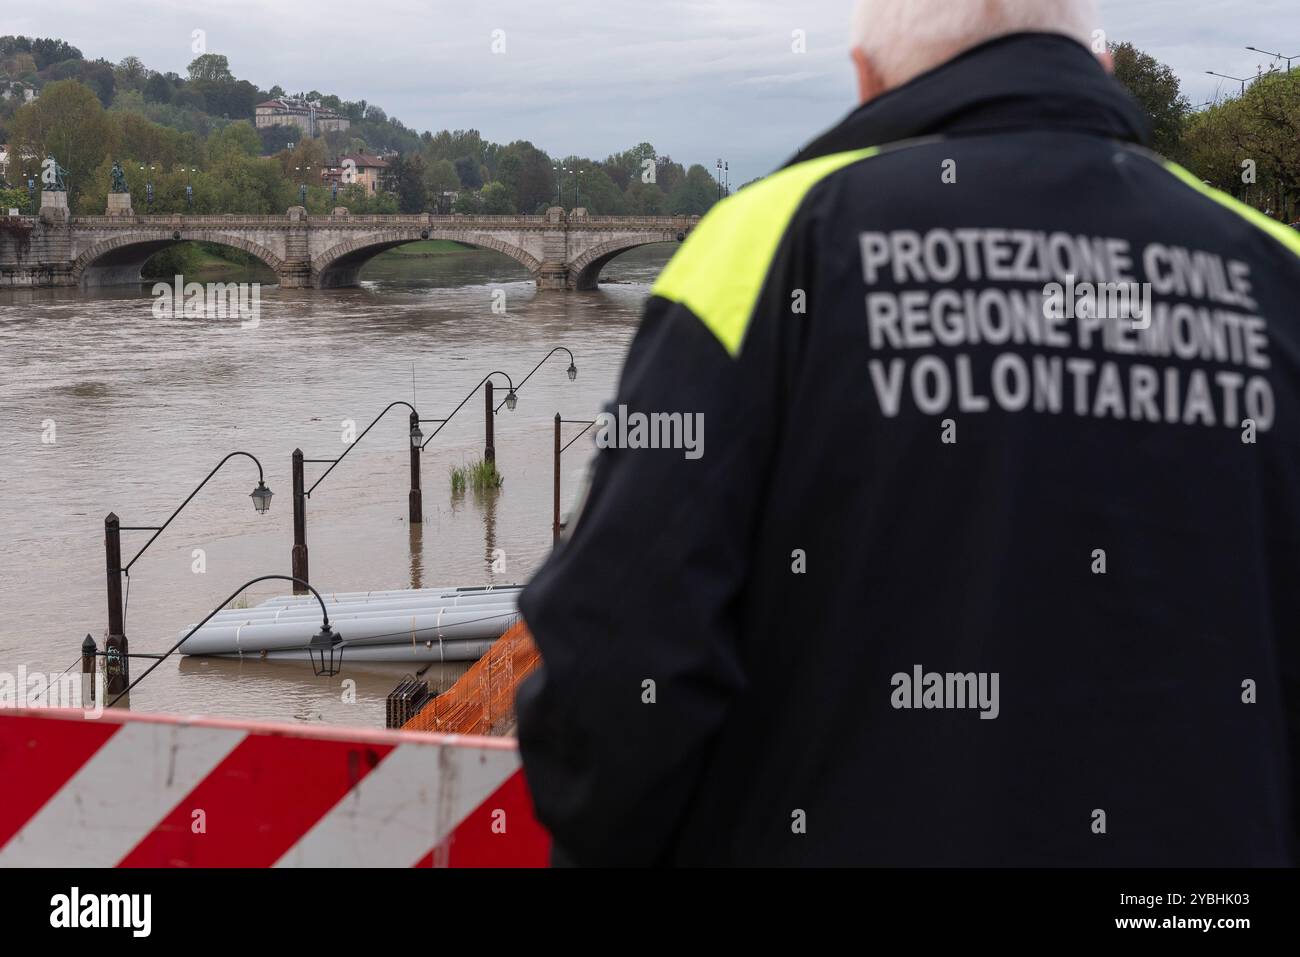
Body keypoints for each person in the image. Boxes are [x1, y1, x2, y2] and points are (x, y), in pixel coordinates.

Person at [515, 0, 1300, 866]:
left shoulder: (766, 246)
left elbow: (613, 672)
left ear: (867, 78)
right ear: (1101, 75)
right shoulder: (1274, 271)